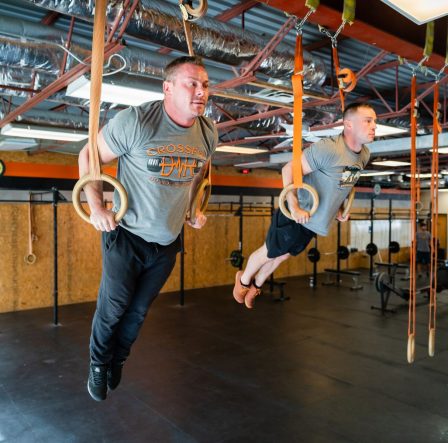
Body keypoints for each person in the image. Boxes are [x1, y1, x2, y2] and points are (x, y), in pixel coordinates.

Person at [78, 56, 218, 401]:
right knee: (114, 308)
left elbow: (198, 173)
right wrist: (96, 206)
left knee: (138, 312)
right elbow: (88, 157)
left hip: (167, 241)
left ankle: (117, 359)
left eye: (205, 85)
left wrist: (192, 209)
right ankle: (98, 364)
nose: (201, 91)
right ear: (167, 88)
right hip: (126, 235)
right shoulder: (137, 121)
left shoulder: (208, 133)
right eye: (192, 83)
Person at [233, 103, 375, 308]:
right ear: (349, 124)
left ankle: (256, 285)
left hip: (314, 222)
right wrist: (295, 207)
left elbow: (344, 183)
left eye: (375, 121)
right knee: (268, 252)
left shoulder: (364, 155)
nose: (374, 126)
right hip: (296, 215)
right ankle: (243, 280)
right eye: (368, 121)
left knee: (280, 257)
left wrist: (341, 209)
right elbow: (288, 170)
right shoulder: (329, 148)